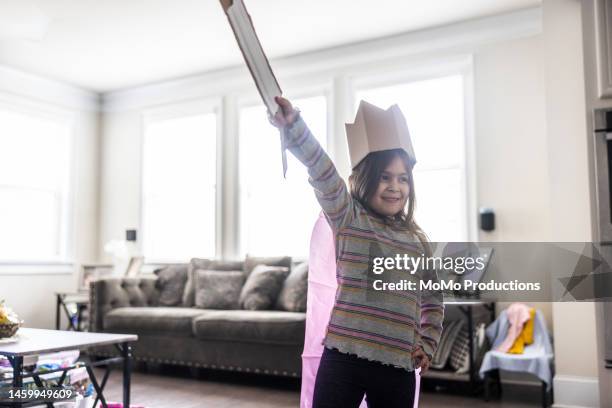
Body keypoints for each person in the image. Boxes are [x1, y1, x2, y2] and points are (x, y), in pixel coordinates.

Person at [269, 96, 444, 408]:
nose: (395, 186)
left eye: (403, 179)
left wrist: (428, 344)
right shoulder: (349, 217)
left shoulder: (418, 241)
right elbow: (321, 170)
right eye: (385, 176)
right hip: (343, 360)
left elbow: (433, 299)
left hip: (397, 367)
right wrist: (295, 127)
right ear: (366, 177)